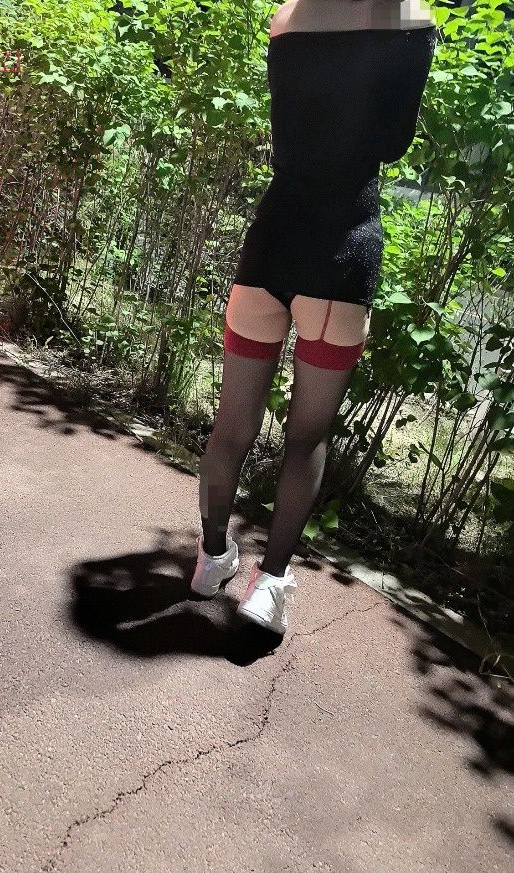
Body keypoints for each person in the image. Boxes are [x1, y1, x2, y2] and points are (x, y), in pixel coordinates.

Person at [190, 0, 438, 633]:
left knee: (231, 425)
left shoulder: (287, 17)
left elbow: (291, 130)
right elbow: (392, 142)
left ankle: (211, 557)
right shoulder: (409, 16)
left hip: (269, 244)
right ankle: (269, 585)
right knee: (306, 437)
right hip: (343, 255)